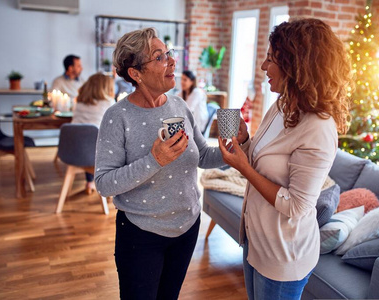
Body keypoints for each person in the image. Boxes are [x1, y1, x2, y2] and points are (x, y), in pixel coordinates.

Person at [94, 28, 247, 300]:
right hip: (141, 235)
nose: (172, 61)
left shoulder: (179, 106)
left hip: (188, 227)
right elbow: (105, 184)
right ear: (136, 74)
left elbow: (201, 156)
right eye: (159, 57)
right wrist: (155, 161)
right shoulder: (117, 117)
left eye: (169, 53)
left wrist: (235, 147)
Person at [218, 19, 352, 300]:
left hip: (283, 256)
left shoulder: (318, 127)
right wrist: (245, 142)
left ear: (295, 65)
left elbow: (298, 206)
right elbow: (268, 162)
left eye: (270, 59)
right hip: (257, 241)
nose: (264, 67)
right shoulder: (282, 105)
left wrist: (243, 168)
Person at [72, 73, 115, 194]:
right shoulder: (109, 103)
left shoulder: (79, 102)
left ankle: (89, 181)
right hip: (96, 154)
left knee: (88, 140)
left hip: (73, 150)